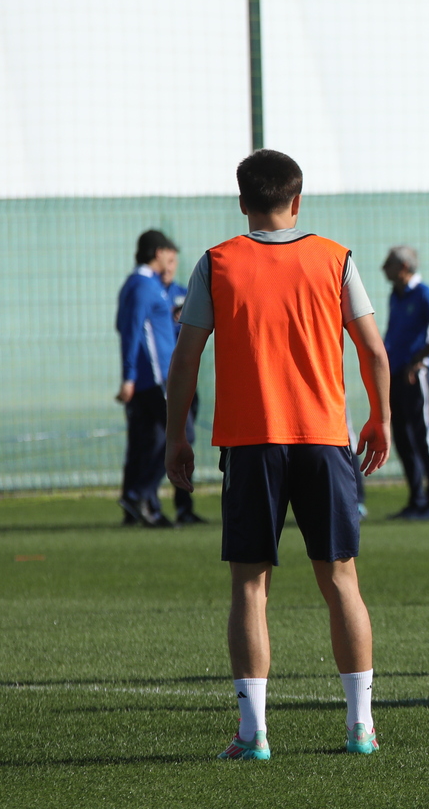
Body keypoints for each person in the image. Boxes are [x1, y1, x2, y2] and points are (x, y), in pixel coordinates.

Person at [165, 149, 392, 761]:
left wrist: (175, 435)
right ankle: (361, 728)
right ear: (298, 201)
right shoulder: (335, 258)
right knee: (341, 580)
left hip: (251, 443)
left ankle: (253, 735)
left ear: (242, 202)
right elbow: (373, 351)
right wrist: (380, 418)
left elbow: (185, 359)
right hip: (324, 441)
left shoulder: (216, 263)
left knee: (249, 587)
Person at [380, 245, 429, 521]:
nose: (383, 268)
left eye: (388, 263)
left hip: (415, 377)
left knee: (424, 437)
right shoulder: (395, 295)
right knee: (402, 438)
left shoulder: (423, 294)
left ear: (403, 267)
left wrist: (419, 359)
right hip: (395, 376)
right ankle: (416, 500)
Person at [115, 229, 181, 528]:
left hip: (153, 378)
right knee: (181, 434)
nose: (171, 258)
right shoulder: (142, 286)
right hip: (156, 379)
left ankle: (142, 504)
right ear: (158, 253)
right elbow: (130, 331)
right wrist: (129, 376)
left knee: (149, 440)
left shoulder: (146, 285)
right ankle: (138, 495)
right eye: (168, 252)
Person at [163, 261, 208, 525]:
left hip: (184, 377)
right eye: (165, 260)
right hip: (165, 379)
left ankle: (180, 505)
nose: (169, 267)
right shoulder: (152, 293)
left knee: (176, 439)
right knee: (172, 439)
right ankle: (142, 498)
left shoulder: (184, 292)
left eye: (173, 261)